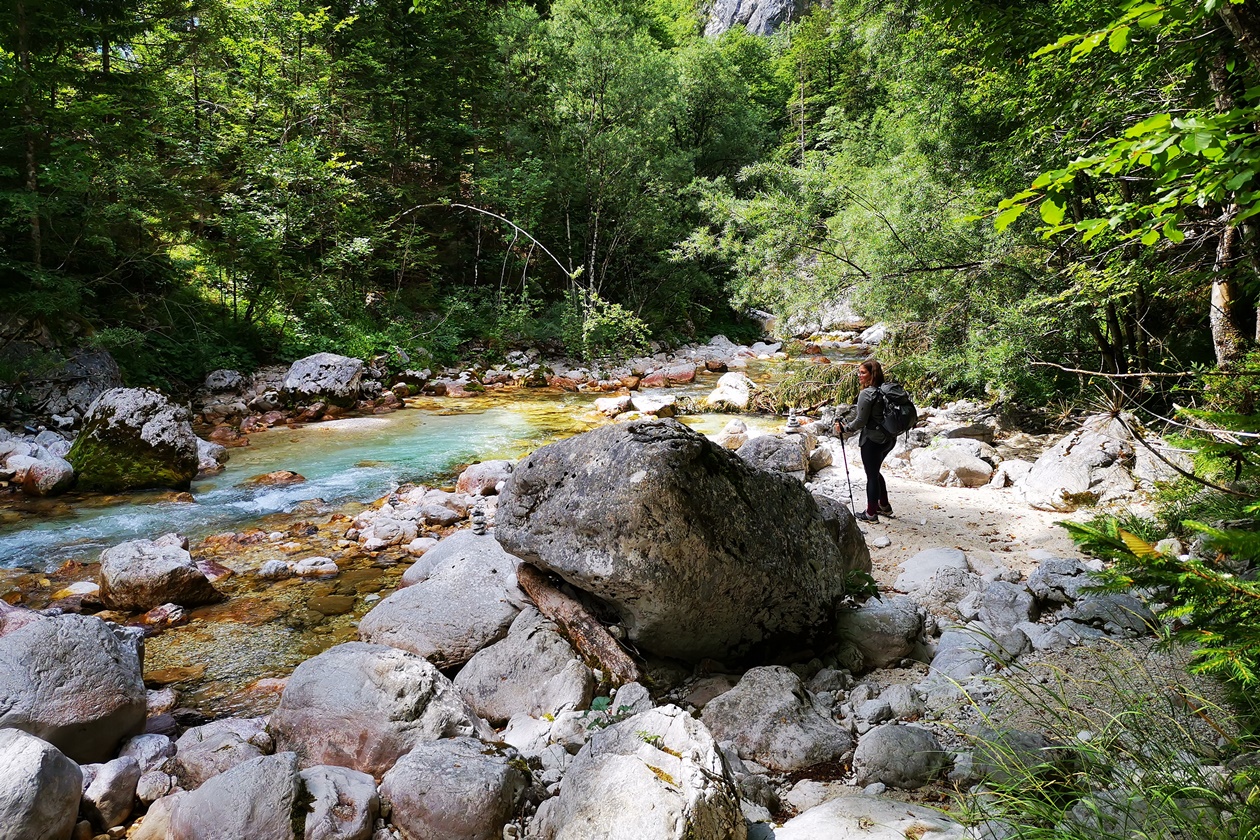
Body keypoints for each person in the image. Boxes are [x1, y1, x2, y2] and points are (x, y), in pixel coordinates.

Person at [834, 359, 895, 523]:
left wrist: (845, 429)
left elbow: (860, 421)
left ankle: (870, 514)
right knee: (875, 471)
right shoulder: (885, 390)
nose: (859, 375)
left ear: (871, 374)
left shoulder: (867, 393)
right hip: (889, 439)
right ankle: (884, 506)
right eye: (859, 372)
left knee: (872, 475)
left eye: (862, 372)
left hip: (873, 441)